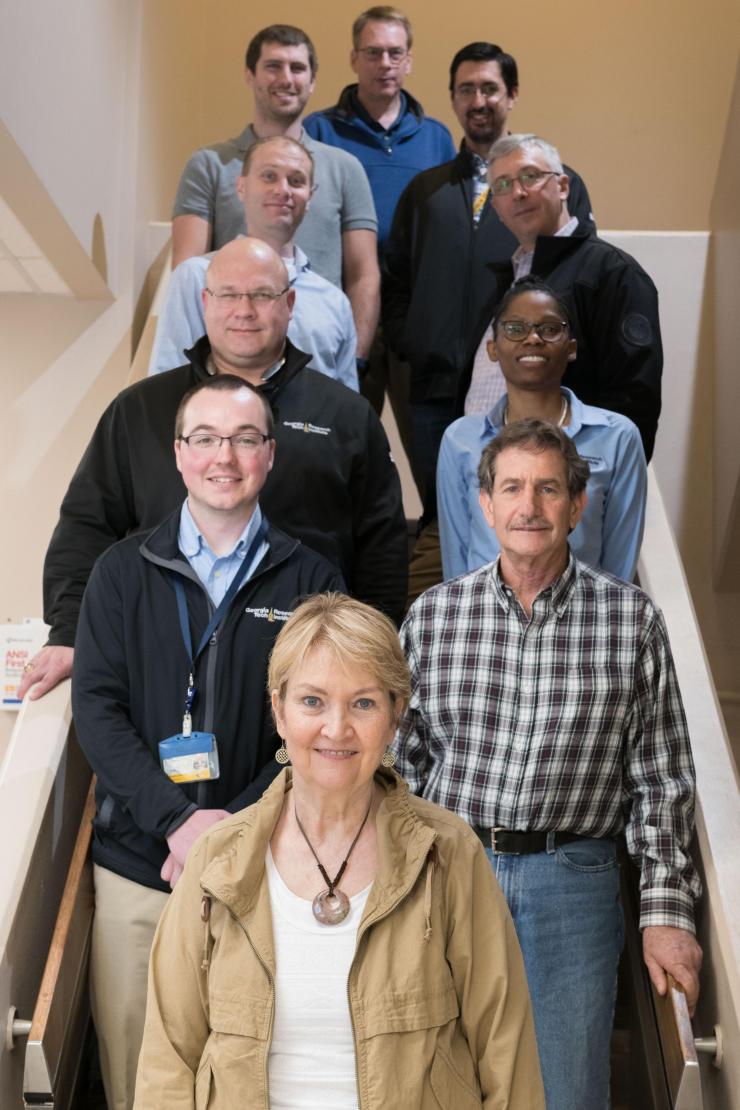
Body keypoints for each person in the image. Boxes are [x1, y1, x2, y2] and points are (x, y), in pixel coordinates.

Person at [134, 593, 545, 1109]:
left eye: (364, 703)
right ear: (278, 710)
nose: (336, 728)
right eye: (312, 701)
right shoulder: (216, 862)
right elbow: (167, 1060)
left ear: (395, 717)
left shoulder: (448, 853)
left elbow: (504, 1049)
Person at [396, 421, 702, 1110]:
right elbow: (399, 771)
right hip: (452, 870)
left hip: (573, 884)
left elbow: (661, 785)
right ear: (484, 505)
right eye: (512, 488)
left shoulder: (632, 622)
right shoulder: (433, 617)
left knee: (564, 1093)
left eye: (548, 488)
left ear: (576, 504)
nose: (529, 506)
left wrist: (667, 916)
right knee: (436, 1086)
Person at [72, 374, 344, 1110]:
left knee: (252, 1072)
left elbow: (321, 727)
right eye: (206, 438)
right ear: (179, 454)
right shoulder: (120, 572)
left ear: (270, 455)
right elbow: (96, 709)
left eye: (244, 438)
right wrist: (175, 821)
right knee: (137, 1072)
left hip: (261, 868)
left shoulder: (313, 579)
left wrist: (229, 830)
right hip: (138, 867)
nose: (225, 455)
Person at [21, 238, 407, 703]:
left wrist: (371, 650)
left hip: (307, 671)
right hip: (156, 660)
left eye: (262, 295)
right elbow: (86, 526)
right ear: (205, 302)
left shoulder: (346, 415)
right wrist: (68, 630)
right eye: (228, 294)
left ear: (289, 304)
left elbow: (381, 547)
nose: (244, 310)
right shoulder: (140, 409)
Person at [382, 43, 595, 507]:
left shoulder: (555, 183)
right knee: (446, 513)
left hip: (522, 392)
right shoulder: (424, 191)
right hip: (433, 392)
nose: (478, 101)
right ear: (453, 99)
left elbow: (578, 272)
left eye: (490, 89)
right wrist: (413, 340)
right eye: (466, 90)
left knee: (521, 510)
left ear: (511, 94)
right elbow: (395, 280)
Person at [305, 6, 456, 486]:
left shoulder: (435, 137)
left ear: (409, 60)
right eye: (373, 53)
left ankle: (435, 554)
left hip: (413, 314)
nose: (384, 63)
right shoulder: (318, 131)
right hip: (344, 308)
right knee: (337, 449)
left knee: (433, 456)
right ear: (354, 58)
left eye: (395, 53)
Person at [171, 23, 380, 359]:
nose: (286, 78)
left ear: (312, 81)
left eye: (297, 68)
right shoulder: (209, 164)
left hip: (319, 351)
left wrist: (354, 357)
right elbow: (188, 270)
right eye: (273, 66)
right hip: (232, 357)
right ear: (249, 76)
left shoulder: (345, 168)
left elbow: (363, 274)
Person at [462, 133, 662, 459]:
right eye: (502, 185)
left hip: (566, 489)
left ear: (564, 186)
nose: (519, 192)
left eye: (530, 177)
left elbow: (632, 399)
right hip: (489, 481)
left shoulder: (612, 273)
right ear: (496, 208)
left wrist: (595, 482)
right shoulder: (507, 279)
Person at [438, 276, 647, 582]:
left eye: (550, 329)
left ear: (571, 348)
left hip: (585, 621)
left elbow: (620, 563)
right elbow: (456, 559)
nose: (533, 338)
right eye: (515, 328)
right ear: (493, 348)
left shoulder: (617, 437)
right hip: (485, 623)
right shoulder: (460, 439)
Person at [150, 137, 358, 389]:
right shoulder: (196, 278)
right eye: (269, 176)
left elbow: (345, 411)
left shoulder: (334, 303)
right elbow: (167, 385)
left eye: (296, 180)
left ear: (310, 195)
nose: (283, 190)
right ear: (241, 187)